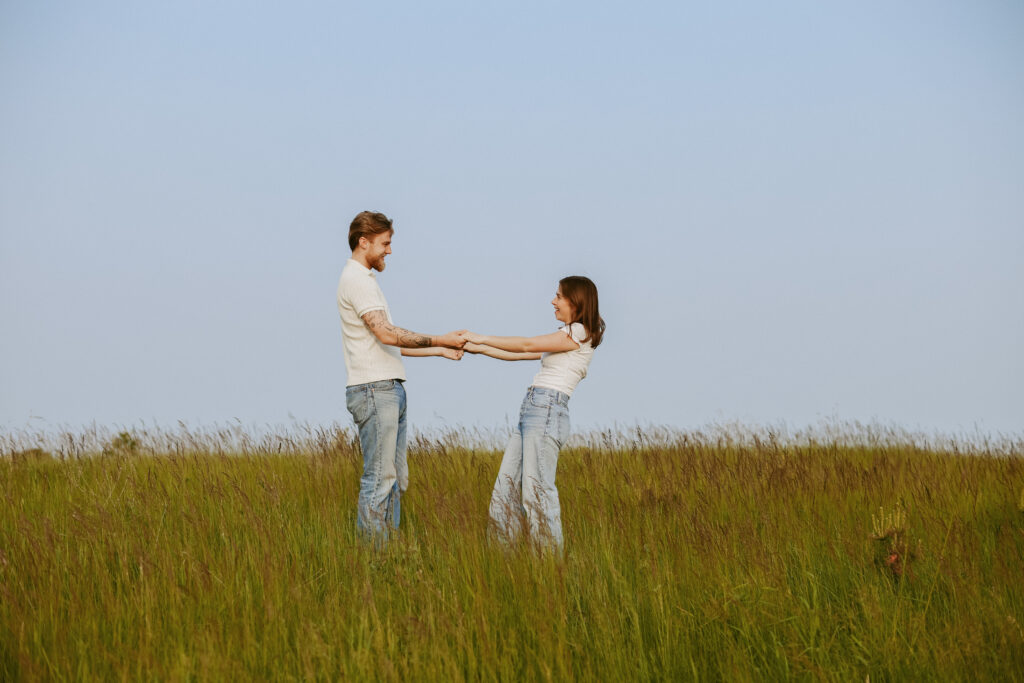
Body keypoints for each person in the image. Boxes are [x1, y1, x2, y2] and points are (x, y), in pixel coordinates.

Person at [337, 211, 466, 536]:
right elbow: (388, 334)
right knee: (380, 478)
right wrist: (441, 338)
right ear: (363, 242)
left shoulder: (366, 281)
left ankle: (389, 557)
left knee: (394, 478)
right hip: (374, 390)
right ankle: (375, 565)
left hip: (387, 387)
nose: (389, 251)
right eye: (385, 243)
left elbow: (390, 342)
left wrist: (440, 349)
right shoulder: (356, 281)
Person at [464, 276, 605, 549]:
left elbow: (527, 344)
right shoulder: (566, 338)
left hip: (546, 411)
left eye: (559, 297)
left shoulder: (578, 332)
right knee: (505, 489)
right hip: (532, 410)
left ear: (576, 302)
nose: (553, 301)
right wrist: (476, 348)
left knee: (537, 494)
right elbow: (520, 354)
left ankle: (550, 570)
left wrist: (478, 336)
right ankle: (502, 562)